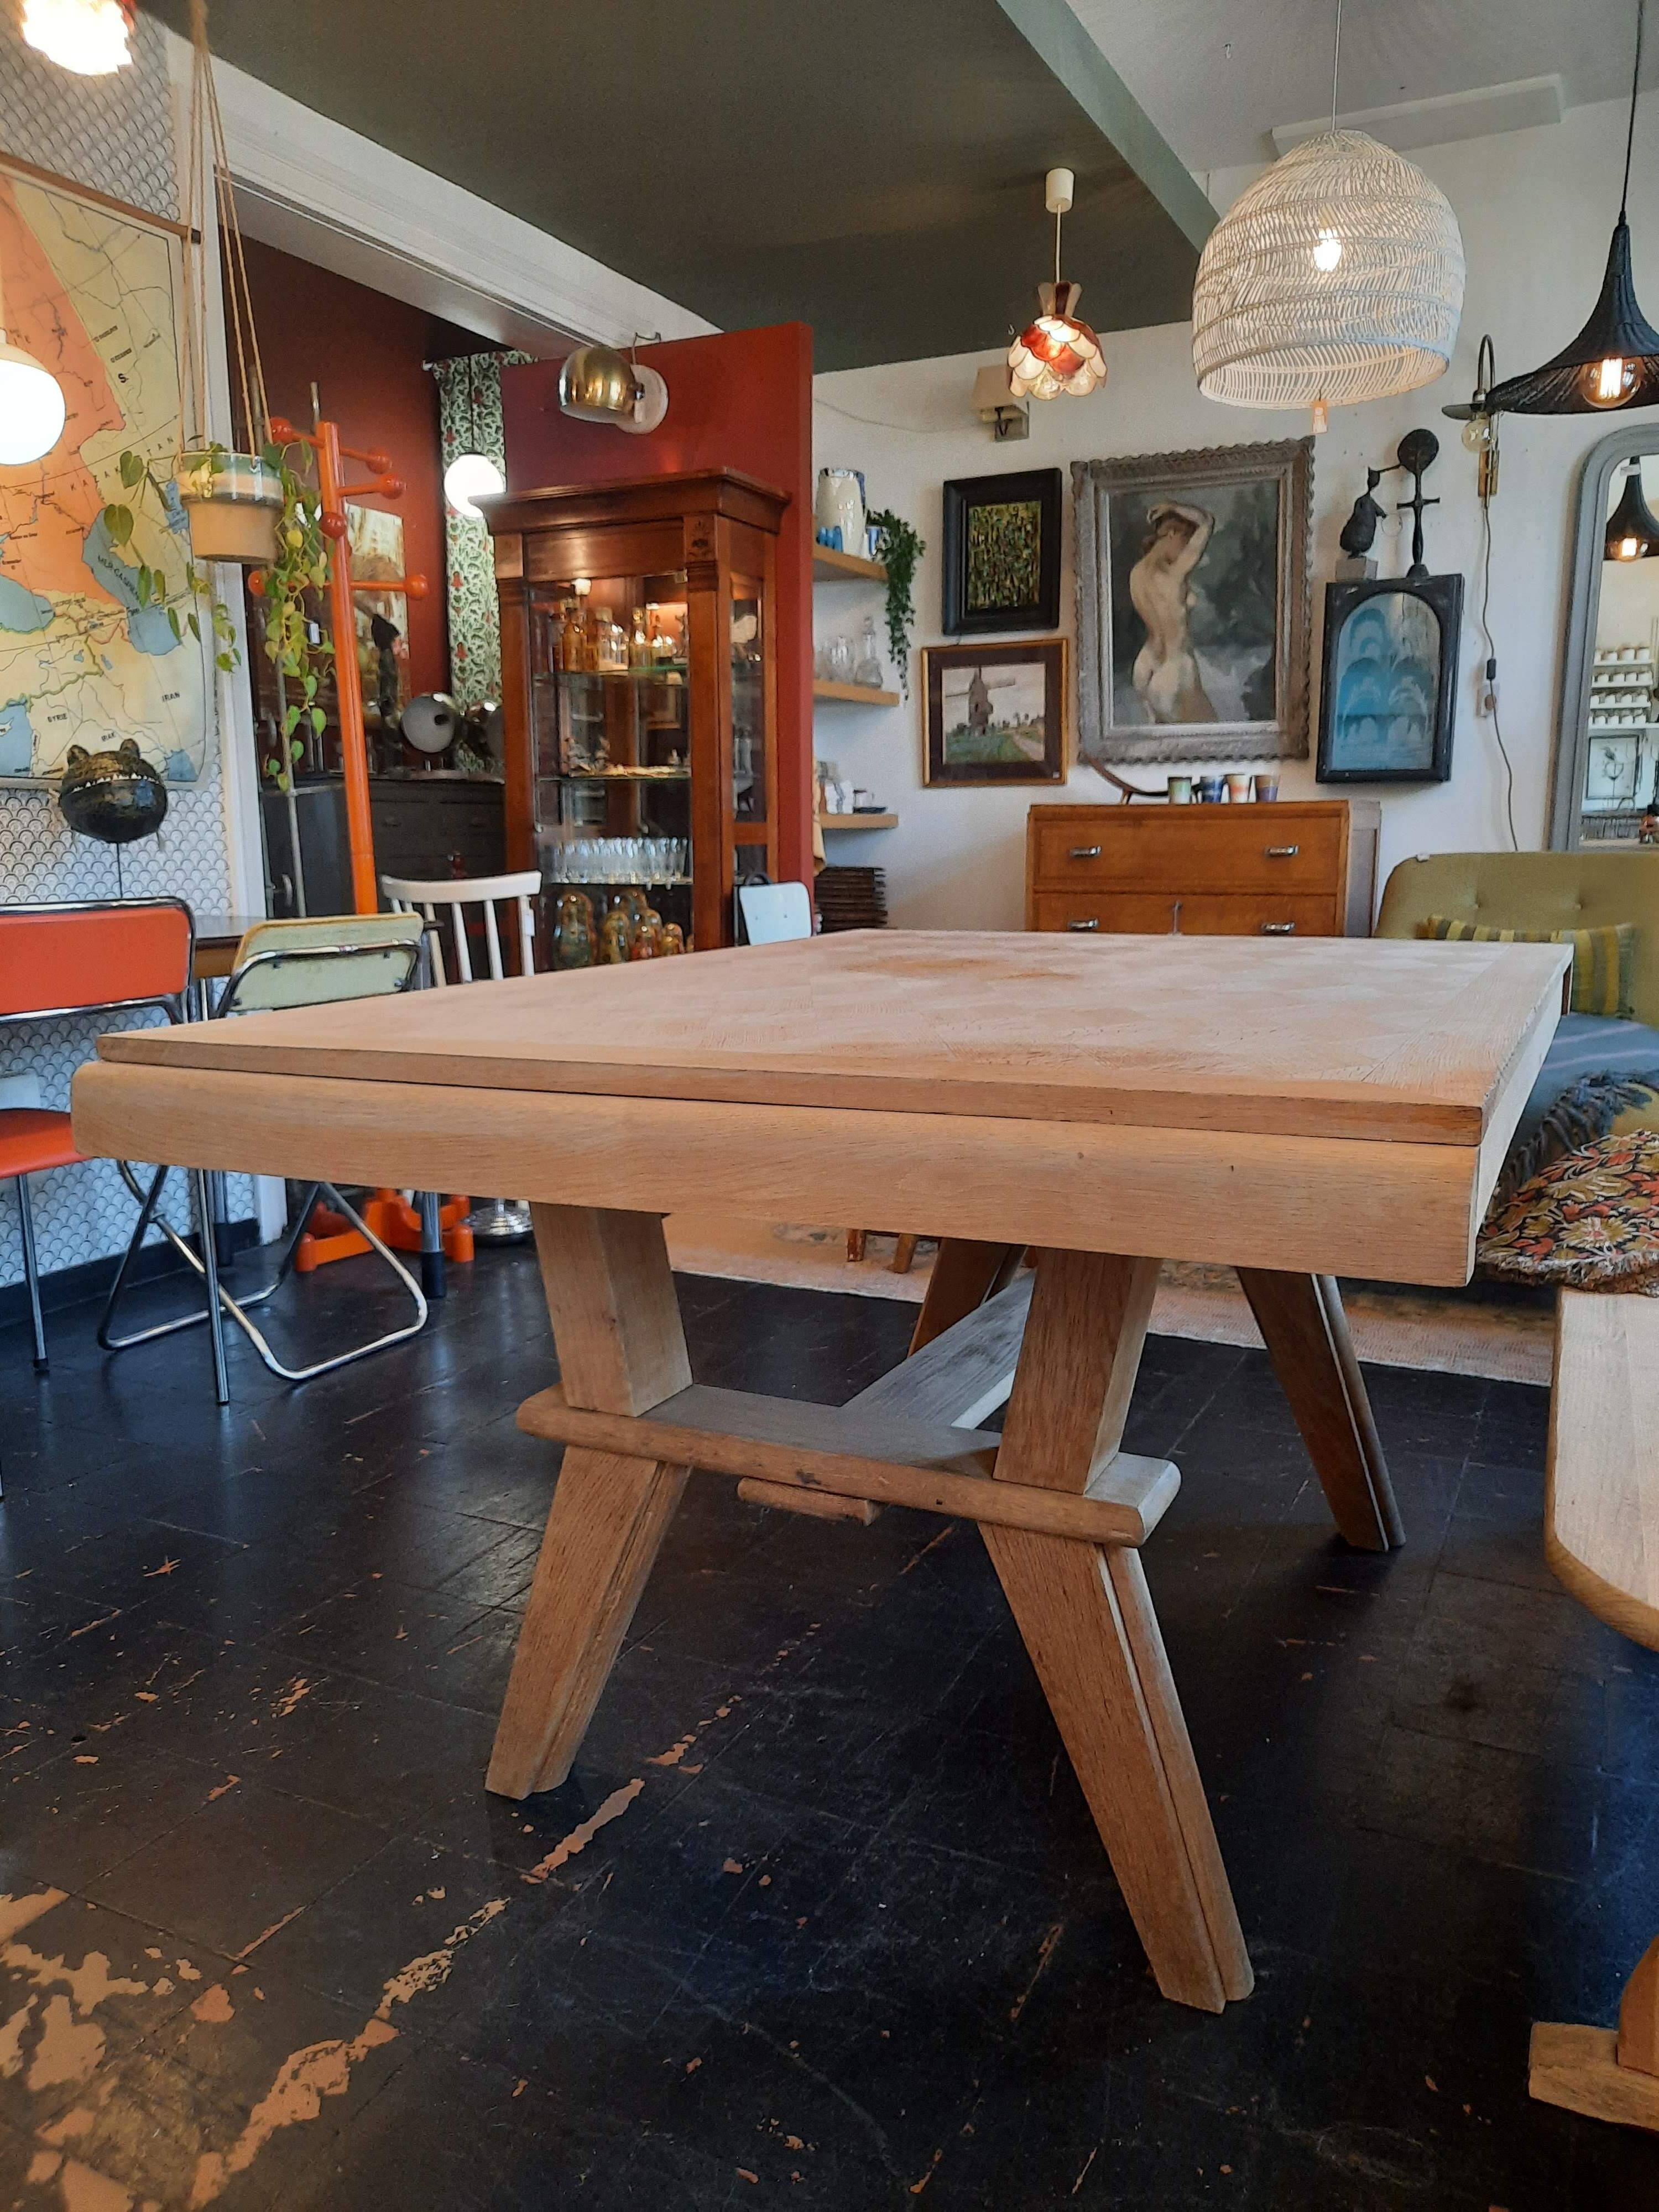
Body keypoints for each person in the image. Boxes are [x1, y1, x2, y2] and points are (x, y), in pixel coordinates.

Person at [1129, 501, 1217, 723]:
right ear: (1172, 533)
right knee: (1208, 737)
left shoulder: (1136, 573)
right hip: (1175, 668)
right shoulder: (1174, 573)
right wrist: (1173, 506)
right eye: (1185, 539)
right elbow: (1207, 521)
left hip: (1145, 666)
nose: (1187, 547)